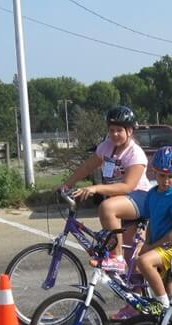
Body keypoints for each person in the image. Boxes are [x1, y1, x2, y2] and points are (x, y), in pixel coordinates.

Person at [61, 105, 149, 273]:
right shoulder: (106, 146)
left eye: (119, 130)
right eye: (111, 130)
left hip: (139, 198)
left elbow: (128, 186)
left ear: (129, 131)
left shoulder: (134, 153)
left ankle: (116, 257)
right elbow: (87, 167)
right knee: (131, 265)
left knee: (107, 208)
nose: (114, 134)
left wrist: (96, 188)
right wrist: (67, 184)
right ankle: (134, 294)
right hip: (121, 201)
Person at [134, 146, 172, 314]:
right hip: (157, 246)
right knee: (140, 265)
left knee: (144, 262)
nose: (166, 181)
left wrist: (151, 248)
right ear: (154, 173)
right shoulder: (152, 194)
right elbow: (151, 222)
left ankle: (162, 304)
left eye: (170, 176)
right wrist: (146, 242)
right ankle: (168, 318)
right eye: (162, 176)